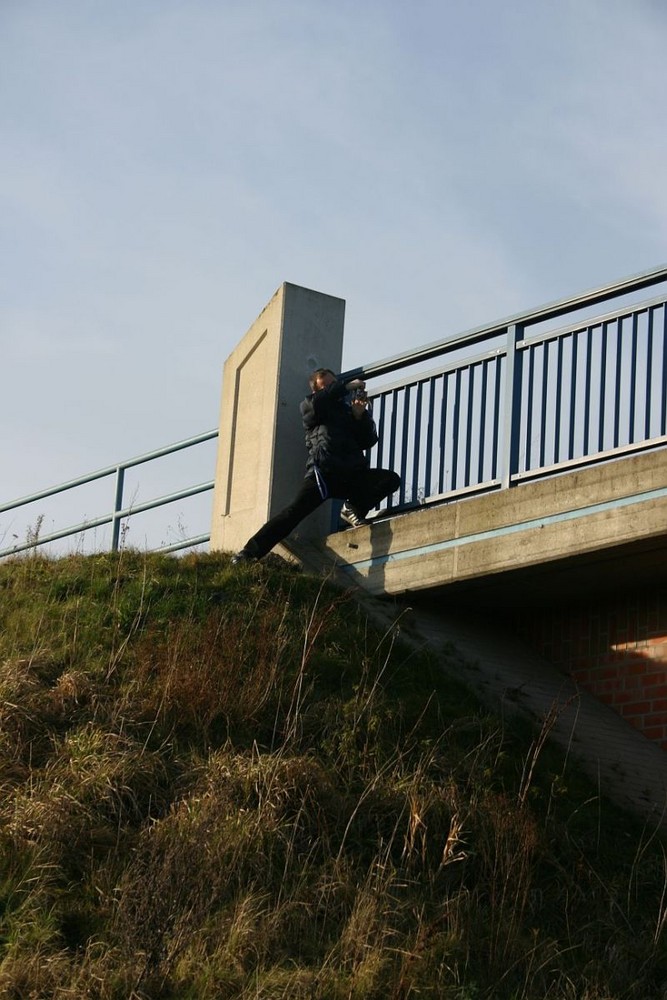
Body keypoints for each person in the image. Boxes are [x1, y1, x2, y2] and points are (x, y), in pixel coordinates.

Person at [231, 368, 401, 563]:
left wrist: (359, 416)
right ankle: (249, 552)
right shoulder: (312, 407)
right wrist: (344, 386)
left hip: (350, 474)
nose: (332, 388)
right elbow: (318, 402)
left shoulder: (347, 411)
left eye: (333, 384)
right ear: (316, 390)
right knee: (293, 513)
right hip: (323, 475)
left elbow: (368, 440)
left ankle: (352, 508)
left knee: (389, 479)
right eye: (327, 386)